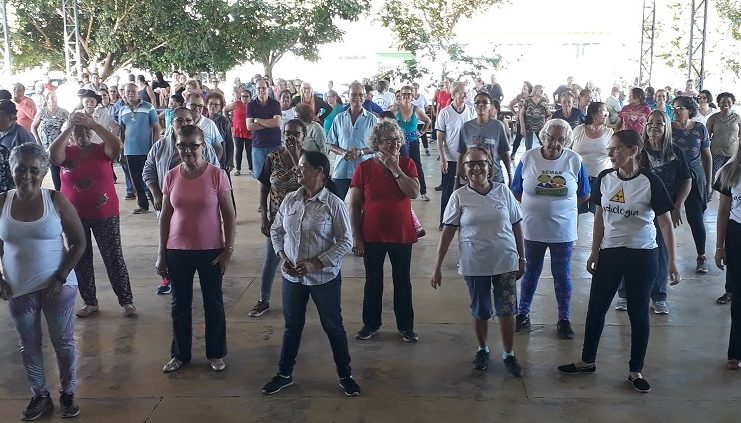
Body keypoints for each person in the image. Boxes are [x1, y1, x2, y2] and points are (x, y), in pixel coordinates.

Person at [558, 130, 680, 394]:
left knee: (638, 313)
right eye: (609, 149)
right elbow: (599, 216)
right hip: (610, 253)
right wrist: (594, 251)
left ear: (633, 151)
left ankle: (636, 370)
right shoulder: (605, 178)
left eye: (616, 148)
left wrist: (672, 261)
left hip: (642, 254)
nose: (610, 153)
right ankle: (587, 360)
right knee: (596, 308)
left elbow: (665, 222)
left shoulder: (650, 181)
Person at [261, 150, 359, 396]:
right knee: (292, 326)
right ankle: (284, 374)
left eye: (303, 166)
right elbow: (276, 231)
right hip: (292, 277)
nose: (297, 169)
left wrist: (317, 263)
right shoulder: (290, 199)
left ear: (318, 172)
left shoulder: (333, 204)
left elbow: (346, 241)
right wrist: (283, 256)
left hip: (324, 279)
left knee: (333, 326)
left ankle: (345, 375)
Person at [0, 143, 85, 420]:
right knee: (29, 344)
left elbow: (79, 242)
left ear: (44, 171)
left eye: (34, 170)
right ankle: (40, 396)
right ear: (11, 169)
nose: (26, 175)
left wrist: (61, 276)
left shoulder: (55, 200)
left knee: (63, 342)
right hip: (18, 287)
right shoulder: (2, 202)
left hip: (57, 286)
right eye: (20, 169)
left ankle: (68, 393)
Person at [431, 146, 524, 375]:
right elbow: (448, 232)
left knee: (507, 310)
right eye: (470, 164)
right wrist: (437, 266)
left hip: (505, 261)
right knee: (480, 310)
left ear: (489, 166)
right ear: (463, 169)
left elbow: (516, 225)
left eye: (481, 163)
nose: (476, 168)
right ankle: (482, 349)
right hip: (475, 264)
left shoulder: (503, 191)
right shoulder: (459, 196)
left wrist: (522, 257)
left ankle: (509, 354)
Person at [156, 125, 236, 373]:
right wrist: (161, 253)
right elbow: (165, 216)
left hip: (210, 250)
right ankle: (180, 354)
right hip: (177, 249)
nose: (188, 151)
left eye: (194, 145)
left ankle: (216, 353)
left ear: (203, 146)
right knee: (179, 304)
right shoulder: (171, 176)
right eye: (182, 145)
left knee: (213, 303)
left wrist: (228, 251)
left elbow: (229, 215)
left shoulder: (216, 175)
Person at [49, 112, 137, 318]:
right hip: (73, 216)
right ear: (71, 134)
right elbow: (53, 155)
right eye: (78, 133)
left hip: (105, 213)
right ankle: (90, 301)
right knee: (80, 258)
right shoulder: (66, 153)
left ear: (92, 133)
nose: (83, 136)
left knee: (113, 256)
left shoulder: (101, 150)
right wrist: (70, 127)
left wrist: (94, 124)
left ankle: (126, 301)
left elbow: (116, 147)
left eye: (86, 132)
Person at [510, 119, 590, 339]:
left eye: (561, 140)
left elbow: (584, 193)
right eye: (551, 138)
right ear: (543, 136)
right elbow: (516, 189)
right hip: (532, 228)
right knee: (530, 272)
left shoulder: (574, 160)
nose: (555, 143)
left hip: (563, 230)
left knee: (561, 274)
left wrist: (563, 209)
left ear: (567, 141)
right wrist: (534, 207)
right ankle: (523, 313)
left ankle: (564, 318)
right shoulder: (528, 158)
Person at [348, 119, 420, 343]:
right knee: (373, 281)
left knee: (402, 281)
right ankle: (371, 324)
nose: (394, 144)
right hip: (372, 235)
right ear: (377, 143)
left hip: (401, 234)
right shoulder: (364, 168)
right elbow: (355, 205)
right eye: (388, 140)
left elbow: (414, 192)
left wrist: (395, 168)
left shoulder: (407, 164)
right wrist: (356, 236)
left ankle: (406, 326)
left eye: (397, 139)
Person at [613, 110, 692, 314]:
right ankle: (624, 294)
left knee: (661, 253)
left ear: (667, 127)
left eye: (659, 123)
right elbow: (624, 174)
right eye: (650, 123)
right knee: (629, 249)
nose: (653, 127)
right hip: (637, 209)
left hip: (664, 209)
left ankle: (659, 296)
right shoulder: (638, 151)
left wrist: (678, 205)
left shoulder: (675, 152)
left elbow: (686, 180)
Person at [143, 107, 220, 295]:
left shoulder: (204, 147)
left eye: (188, 120)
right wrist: (157, 194)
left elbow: (216, 173)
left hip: (200, 211)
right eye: (179, 120)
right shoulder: (160, 147)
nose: (184, 124)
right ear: (171, 123)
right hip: (171, 206)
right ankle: (168, 276)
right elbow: (148, 170)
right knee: (170, 241)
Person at [249, 119, 305, 318]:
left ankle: (302, 298)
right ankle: (263, 300)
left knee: (301, 259)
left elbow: (309, 184)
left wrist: (296, 156)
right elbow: (264, 187)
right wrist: (263, 216)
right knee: (271, 259)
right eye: (288, 133)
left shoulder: (308, 159)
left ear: (304, 136)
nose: (291, 137)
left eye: (296, 134)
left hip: (302, 219)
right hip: (277, 219)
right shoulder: (272, 157)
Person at [672, 96, 712, 273]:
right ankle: (665, 256)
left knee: (696, 218)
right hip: (673, 178)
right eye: (674, 108)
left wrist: (709, 183)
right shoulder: (669, 129)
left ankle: (701, 256)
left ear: (689, 110)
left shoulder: (699, 128)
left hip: (695, 177)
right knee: (665, 217)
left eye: (680, 108)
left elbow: (707, 156)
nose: (676, 111)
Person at [714, 145, 741, 368]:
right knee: (739, 296)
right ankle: (736, 352)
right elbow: (723, 211)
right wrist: (719, 247)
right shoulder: (729, 172)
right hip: (737, 235)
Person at [327, 82, 378, 200]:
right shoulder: (339, 118)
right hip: (341, 170)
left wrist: (361, 152)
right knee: (336, 203)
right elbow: (330, 143)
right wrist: (342, 152)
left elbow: (377, 146)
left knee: (365, 205)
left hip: (364, 170)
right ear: (348, 96)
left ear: (365, 96)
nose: (357, 97)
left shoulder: (372, 120)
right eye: (353, 94)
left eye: (361, 94)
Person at [436, 82, 476, 229]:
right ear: (453, 95)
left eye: (466, 92)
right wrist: (443, 158)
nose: (465, 95)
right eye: (461, 92)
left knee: (468, 189)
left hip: (467, 159)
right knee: (448, 190)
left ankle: (465, 220)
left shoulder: (471, 111)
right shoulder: (445, 113)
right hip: (451, 158)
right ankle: (445, 220)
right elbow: (440, 139)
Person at [119, 83, 161, 214]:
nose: (131, 93)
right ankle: (142, 205)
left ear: (138, 92)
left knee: (151, 177)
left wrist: (155, 147)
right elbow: (122, 131)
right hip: (129, 151)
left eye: (133, 91)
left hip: (147, 150)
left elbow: (156, 128)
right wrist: (121, 151)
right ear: (124, 93)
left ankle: (158, 204)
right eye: (128, 91)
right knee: (135, 179)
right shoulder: (122, 110)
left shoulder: (148, 107)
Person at [389, 85, 432, 201]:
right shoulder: (395, 109)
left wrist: (422, 132)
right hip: (399, 144)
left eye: (409, 94)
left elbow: (428, 120)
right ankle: (400, 191)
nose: (406, 96)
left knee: (417, 165)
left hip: (413, 142)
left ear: (412, 96)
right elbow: (385, 120)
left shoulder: (416, 109)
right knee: (399, 166)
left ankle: (423, 191)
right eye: (404, 94)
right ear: (400, 95)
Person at [570, 102, 614, 213]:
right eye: (603, 113)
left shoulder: (609, 132)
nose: (606, 115)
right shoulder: (578, 130)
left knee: (598, 212)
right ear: (593, 114)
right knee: (577, 210)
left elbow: (614, 155)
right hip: (579, 177)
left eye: (607, 113)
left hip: (601, 179)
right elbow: (568, 150)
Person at [459, 92, 511, 184]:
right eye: (477, 102)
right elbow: (462, 154)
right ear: (474, 106)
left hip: (494, 178)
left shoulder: (498, 126)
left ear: (490, 106)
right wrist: (457, 178)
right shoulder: (466, 127)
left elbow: (504, 153)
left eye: (485, 102)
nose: (480, 105)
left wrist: (510, 176)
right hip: (471, 178)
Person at [706, 92, 740, 219]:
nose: (725, 104)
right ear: (719, 104)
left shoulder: (737, 118)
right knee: (713, 177)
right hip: (717, 153)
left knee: (731, 179)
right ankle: (707, 198)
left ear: (732, 103)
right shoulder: (713, 118)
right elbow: (706, 137)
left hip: (733, 155)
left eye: (728, 102)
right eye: (723, 102)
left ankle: (730, 202)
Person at [31, 91, 70, 190]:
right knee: (53, 170)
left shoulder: (64, 112)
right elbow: (33, 127)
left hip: (61, 147)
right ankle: (58, 191)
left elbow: (71, 126)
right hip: (46, 147)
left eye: (55, 97)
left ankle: (64, 190)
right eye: (52, 97)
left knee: (63, 169)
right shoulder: (42, 112)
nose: (54, 100)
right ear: (47, 99)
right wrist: (37, 140)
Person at [247, 79, 283, 181]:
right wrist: (270, 123)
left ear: (268, 89)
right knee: (259, 177)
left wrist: (258, 120)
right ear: (255, 89)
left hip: (275, 146)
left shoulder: (275, 104)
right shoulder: (251, 105)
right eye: (258, 88)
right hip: (258, 147)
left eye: (263, 88)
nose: (261, 90)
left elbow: (277, 123)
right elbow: (250, 126)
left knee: (277, 177)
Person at [185, 93, 224, 161]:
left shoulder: (210, 124)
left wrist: (213, 165)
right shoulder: (179, 123)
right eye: (193, 105)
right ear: (185, 105)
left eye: (200, 106)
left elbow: (219, 148)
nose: (197, 108)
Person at [224, 89, 253, 175]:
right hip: (238, 131)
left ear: (250, 97)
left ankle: (251, 169)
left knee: (249, 151)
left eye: (246, 96)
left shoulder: (253, 105)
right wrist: (229, 121)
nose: (244, 98)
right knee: (238, 151)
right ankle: (238, 169)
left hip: (249, 131)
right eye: (242, 96)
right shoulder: (236, 104)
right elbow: (225, 109)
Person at [206, 91, 234, 172]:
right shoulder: (203, 121)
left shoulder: (224, 122)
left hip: (222, 160)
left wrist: (230, 160)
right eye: (210, 104)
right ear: (206, 105)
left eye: (216, 105)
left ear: (220, 107)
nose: (212, 107)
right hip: (206, 159)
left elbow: (229, 142)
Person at [518, 85, 551, 151]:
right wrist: (522, 127)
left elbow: (549, 114)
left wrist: (545, 106)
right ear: (535, 90)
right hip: (529, 127)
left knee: (544, 145)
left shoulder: (543, 100)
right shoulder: (528, 100)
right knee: (528, 147)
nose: (542, 91)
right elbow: (521, 114)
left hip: (541, 127)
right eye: (540, 90)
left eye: (543, 90)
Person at [508, 81, 534, 159]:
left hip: (531, 121)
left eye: (525, 86)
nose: (523, 87)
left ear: (529, 87)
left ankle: (527, 156)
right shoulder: (519, 96)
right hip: (521, 120)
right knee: (518, 138)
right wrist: (515, 113)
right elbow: (510, 104)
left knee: (529, 141)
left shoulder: (532, 96)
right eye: (523, 86)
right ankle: (513, 153)